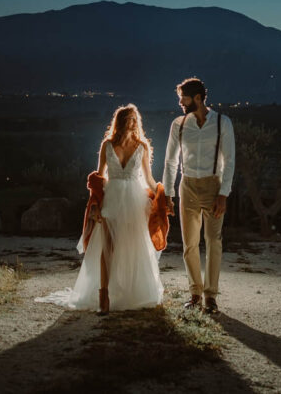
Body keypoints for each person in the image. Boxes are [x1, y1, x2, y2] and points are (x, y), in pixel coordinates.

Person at [39, 104, 165, 314]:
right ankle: (103, 296)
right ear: (120, 122)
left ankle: (131, 291)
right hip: (112, 198)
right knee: (108, 246)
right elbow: (99, 177)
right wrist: (96, 204)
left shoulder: (142, 147)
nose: (131, 123)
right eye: (128, 119)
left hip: (135, 201)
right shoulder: (107, 145)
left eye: (134, 119)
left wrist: (162, 194)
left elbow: (149, 179)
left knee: (134, 246)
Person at [163, 77, 235, 314]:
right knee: (189, 244)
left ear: (197, 98)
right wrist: (168, 194)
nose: (180, 103)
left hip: (213, 185)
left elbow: (229, 161)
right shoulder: (179, 124)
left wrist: (223, 194)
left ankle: (210, 297)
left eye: (183, 98)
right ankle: (195, 293)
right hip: (187, 186)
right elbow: (171, 161)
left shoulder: (222, 123)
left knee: (214, 241)